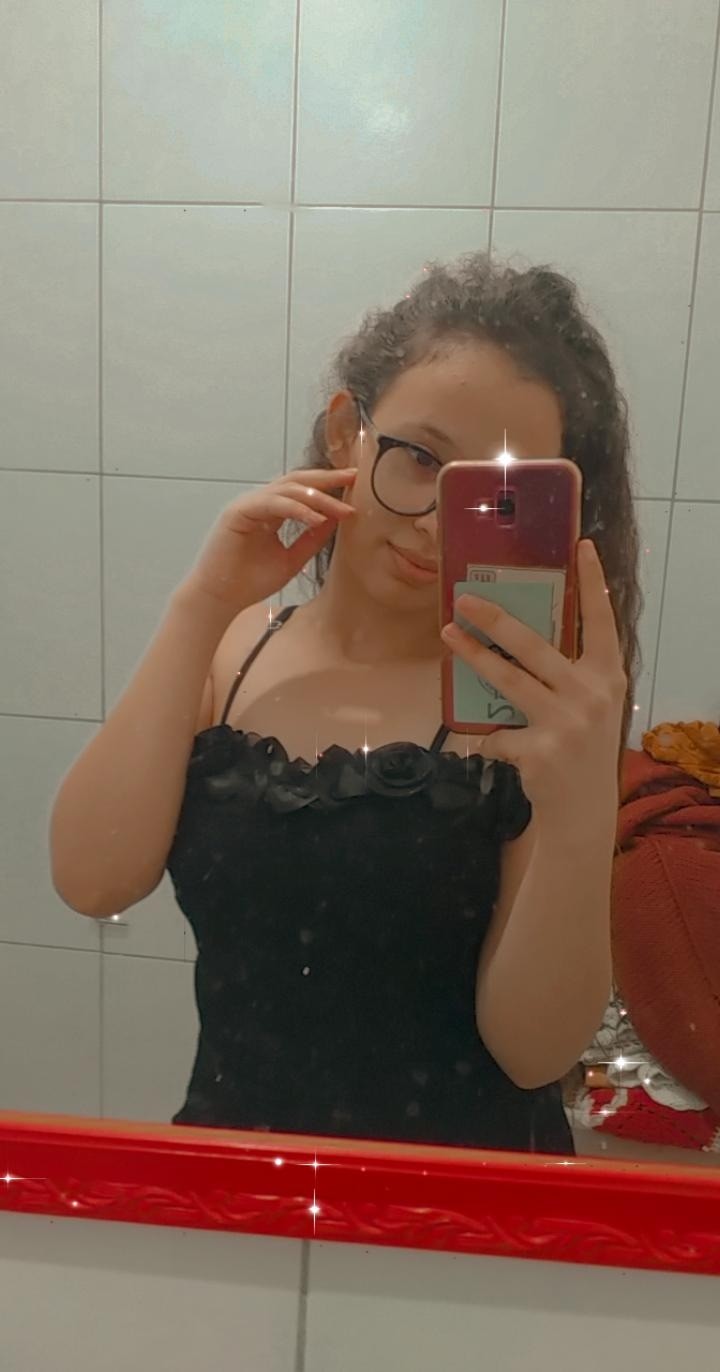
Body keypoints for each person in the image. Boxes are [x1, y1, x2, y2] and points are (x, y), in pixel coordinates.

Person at [50, 251, 640, 1153]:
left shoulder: (532, 708)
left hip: (463, 1204)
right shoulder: (232, 650)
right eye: (420, 457)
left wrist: (584, 800)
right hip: (242, 1179)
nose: (435, 521)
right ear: (344, 434)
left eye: (494, 496)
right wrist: (200, 605)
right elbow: (91, 880)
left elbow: (533, 1052)